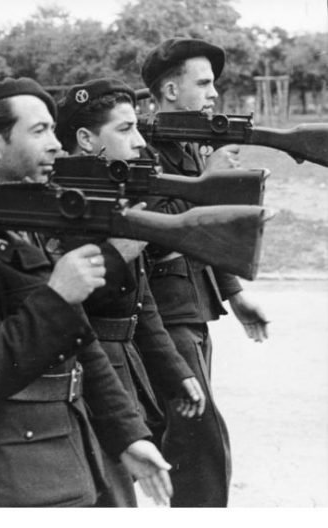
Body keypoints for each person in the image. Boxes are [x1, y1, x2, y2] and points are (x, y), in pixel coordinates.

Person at [0, 77, 173, 507]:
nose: (56, 144)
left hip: (63, 457)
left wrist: (128, 436)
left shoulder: (27, 228)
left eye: (54, 129)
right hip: (1, 482)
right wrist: (57, 296)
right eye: (39, 131)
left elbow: (82, 345)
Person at [55, 78, 206, 506]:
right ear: (86, 140)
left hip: (125, 368)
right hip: (92, 374)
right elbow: (67, 305)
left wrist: (174, 369)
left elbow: (142, 303)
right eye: (124, 130)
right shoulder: (63, 204)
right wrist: (117, 252)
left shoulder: (113, 194)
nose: (140, 142)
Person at [140, 38, 270, 507]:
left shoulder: (188, 146)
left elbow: (204, 233)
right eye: (204, 83)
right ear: (171, 90)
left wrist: (234, 294)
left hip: (192, 310)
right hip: (164, 313)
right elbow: (153, 231)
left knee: (180, 436)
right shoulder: (143, 148)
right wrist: (206, 182)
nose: (214, 93)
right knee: (201, 443)